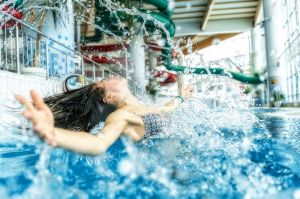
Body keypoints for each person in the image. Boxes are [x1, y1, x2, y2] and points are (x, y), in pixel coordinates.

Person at [16, 75, 193, 156]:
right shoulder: (120, 116)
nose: (109, 76)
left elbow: (166, 109)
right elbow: (98, 143)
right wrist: (53, 133)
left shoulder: (142, 107)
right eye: (104, 81)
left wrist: (180, 97)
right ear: (109, 97)